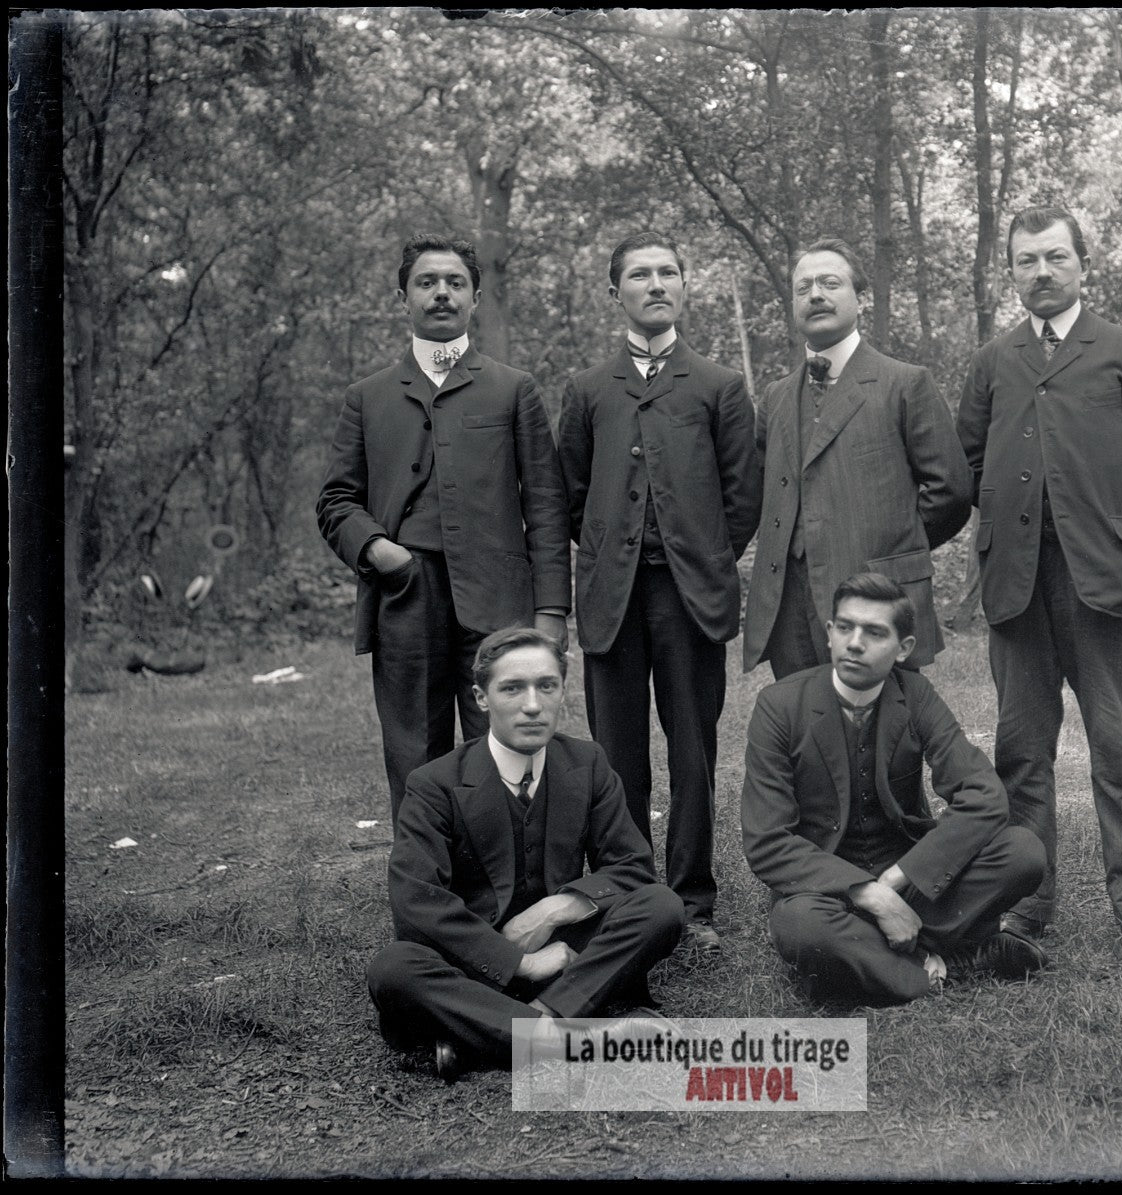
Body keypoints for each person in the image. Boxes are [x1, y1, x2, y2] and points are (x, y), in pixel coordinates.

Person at [956, 206, 1122, 964]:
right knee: (1020, 753)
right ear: (1011, 273)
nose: (1042, 272)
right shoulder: (992, 361)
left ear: (1084, 264)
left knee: (1120, 751)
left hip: (1106, 581)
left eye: (1055, 257)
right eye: (1026, 261)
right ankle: (1028, 902)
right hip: (1016, 585)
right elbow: (961, 471)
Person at [317, 234, 570, 822]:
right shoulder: (368, 398)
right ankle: (424, 869)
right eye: (426, 282)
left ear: (475, 298)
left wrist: (551, 610)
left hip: (499, 600)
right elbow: (336, 499)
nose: (441, 294)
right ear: (402, 298)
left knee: (509, 743)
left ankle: (515, 866)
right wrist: (379, 550)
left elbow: (546, 505)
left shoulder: (513, 388)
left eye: (456, 283)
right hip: (406, 599)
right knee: (414, 752)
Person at [556, 231, 760, 954]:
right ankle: (628, 896)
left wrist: (699, 555)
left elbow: (743, 497)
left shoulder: (718, 386)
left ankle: (693, 901)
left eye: (668, 272)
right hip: (611, 597)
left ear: (684, 286)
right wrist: (613, 547)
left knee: (693, 751)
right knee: (616, 757)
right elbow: (570, 494)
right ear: (616, 293)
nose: (656, 284)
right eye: (639, 275)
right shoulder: (587, 390)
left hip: (689, 596)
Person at [367, 626, 685, 1080]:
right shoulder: (434, 784)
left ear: (562, 691)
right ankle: (578, 1037)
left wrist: (554, 910)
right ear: (481, 698)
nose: (533, 705)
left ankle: (502, 1031)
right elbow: (416, 901)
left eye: (546, 686)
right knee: (394, 968)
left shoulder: (587, 763)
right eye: (512, 688)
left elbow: (632, 867)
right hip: (473, 966)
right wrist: (519, 961)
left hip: (565, 955)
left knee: (661, 906)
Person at [742, 572, 1047, 1006]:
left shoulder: (915, 694)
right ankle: (951, 963)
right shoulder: (779, 705)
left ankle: (869, 961)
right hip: (825, 889)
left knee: (1022, 852)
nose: (854, 643)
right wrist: (870, 894)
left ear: (903, 648)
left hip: (909, 877)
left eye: (874, 632)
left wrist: (896, 880)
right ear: (828, 633)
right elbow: (767, 841)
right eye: (845, 627)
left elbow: (984, 795)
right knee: (801, 927)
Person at [742, 238, 970, 679]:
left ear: (860, 299)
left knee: (884, 719)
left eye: (830, 283)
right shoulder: (775, 397)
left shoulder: (905, 384)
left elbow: (952, 491)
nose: (815, 295)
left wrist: (892, 547)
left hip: (878, 599)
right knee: (802, 717)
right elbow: (768, 494)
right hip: (790, 608)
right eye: (803, 287)